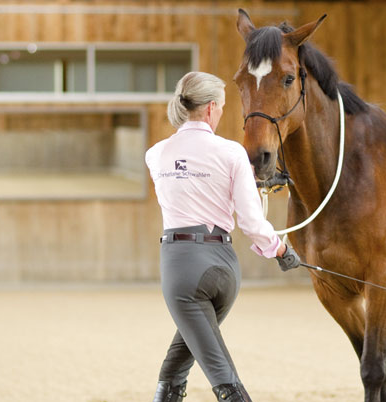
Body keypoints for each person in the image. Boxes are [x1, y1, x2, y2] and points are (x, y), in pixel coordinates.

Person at [145, 71, 302, 402]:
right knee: (177, 363)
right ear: (211, 107)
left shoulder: (156, 154)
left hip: (182, 269)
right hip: (225, 271)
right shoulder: (232, 153)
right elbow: (251, 222)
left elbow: (190, 185)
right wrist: (279, 249)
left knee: (222, 377)